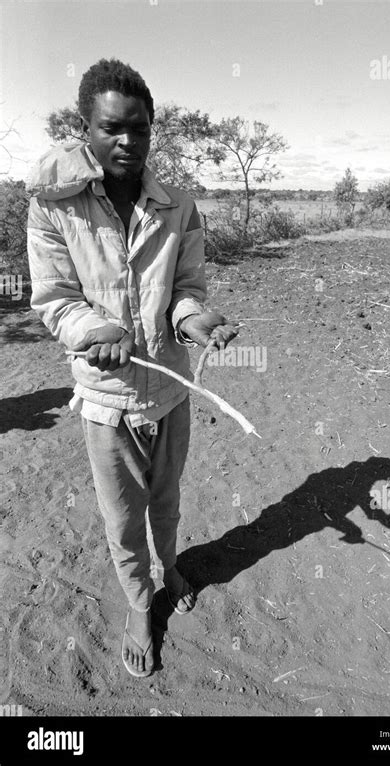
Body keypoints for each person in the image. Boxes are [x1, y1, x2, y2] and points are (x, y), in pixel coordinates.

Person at [27, 58, 238, 678]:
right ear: (84, 128)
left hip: (171, 391)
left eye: (140, 129)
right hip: (106, 396)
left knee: (166, 500)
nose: (127, 142)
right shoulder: (53, 208)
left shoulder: (179, 207)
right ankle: (140, 603)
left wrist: (194, 321)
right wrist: (94, 331)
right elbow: (54, 299)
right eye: (112, 128)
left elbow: (188, 287)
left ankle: (170, 566)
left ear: (152, 130)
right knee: (122, 515)